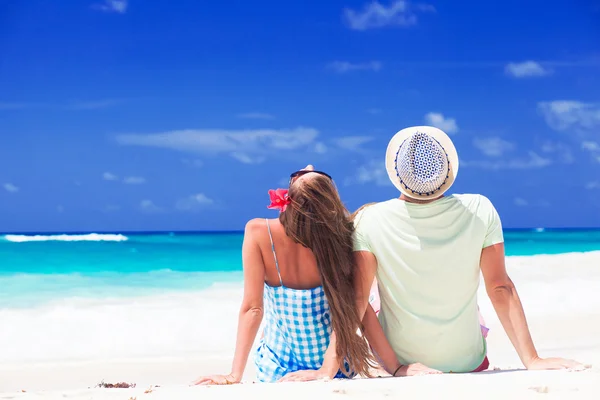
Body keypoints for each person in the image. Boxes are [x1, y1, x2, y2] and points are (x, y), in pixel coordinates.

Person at [352, 126, 586, 374]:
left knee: (374, 295)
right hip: (467, 362)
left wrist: (395, 368)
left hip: (400, 363)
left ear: (396, 172)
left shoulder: (369, 220)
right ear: (447, 169)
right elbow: (499, 288)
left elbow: (357, 299)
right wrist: (532, 359)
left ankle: (392, 361)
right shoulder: (480, 209)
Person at [193, 166, 382, 385]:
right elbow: (357, 307)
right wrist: (394, 366)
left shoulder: (258, 231)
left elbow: (253, 309)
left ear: (290, 199)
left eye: (309, 173)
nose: (309, 166)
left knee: (271, 325)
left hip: (277, 370)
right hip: (336, 368)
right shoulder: (342, 239)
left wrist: (234, 375)